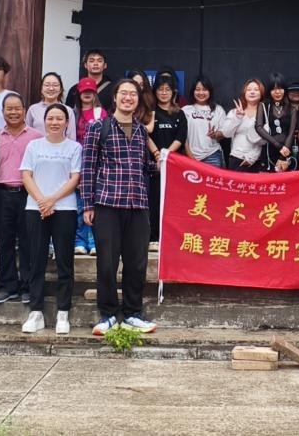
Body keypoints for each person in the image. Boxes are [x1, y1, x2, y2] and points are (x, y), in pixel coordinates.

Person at [82, 78, 158, 336]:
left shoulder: (141, 131)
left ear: (138, 99)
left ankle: (133, 313)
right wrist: (88, 204)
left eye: (133, 94)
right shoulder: (98, 127)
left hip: (138, 204)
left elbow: (143, 166)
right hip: (108, 203)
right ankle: (109, 315)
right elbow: (88, 167)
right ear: (114, 98)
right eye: (123, 93)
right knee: (107, 262)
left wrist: (160, 164)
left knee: (137, 263)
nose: (128, 98)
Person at [20, 103, 83, 334]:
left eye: (59, 118)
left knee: (64, 262)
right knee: (36, 260)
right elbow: (26, 175)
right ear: (44, 121)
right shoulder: (33, 145)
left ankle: (63, 312)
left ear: (67, 122)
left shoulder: (74, 147)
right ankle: (36, 312)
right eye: (51, 118)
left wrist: (52, 200)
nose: (54, 122)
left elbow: (74, 178)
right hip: (35, 208)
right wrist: (41, 201)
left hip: (64, 208)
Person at [0, 93, 43, 304]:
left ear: (24, 111)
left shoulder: (36, 137)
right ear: (3, 112)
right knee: (4, 241)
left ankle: (28, 285)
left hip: (28, 193)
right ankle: (8, 286)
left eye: (17, 108)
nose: (13, 112)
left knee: (28, 241)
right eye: (9, 109)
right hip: (2, 193)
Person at [144, 73, 186, 247]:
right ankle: (154, 237)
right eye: (160, 89)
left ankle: (171, 239)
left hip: (174, 164)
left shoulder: (179, 114)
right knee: (154, 200)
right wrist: (157, 155)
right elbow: (145, 134)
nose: (163, 93)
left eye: (167, 89)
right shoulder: (150, 112)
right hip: (155, 164)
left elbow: (181, 137)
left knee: (173, 202)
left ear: (173, 92)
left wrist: (166, 155)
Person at [73, 77, 108, 256]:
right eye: (84, 92)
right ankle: (80, 241)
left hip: (96, 161)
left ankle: (94, 241)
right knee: (80, 204)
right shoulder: (73, 113)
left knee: (95, 204)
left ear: (95, 93)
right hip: (77, 161)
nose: (87, 94)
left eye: (90, 91)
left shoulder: (101, 112)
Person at [258, 73, 299, 172]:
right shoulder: (264, 106)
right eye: (273, 89)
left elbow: (291, 132)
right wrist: (278, 145)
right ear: (269, 91)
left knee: (286, 180)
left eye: (280, 88)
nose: (277, 92)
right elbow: (258, 127)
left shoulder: (291, 108)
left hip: (287, 150)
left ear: (285, 89)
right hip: (269, 149)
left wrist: (283, 154)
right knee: (267, 180)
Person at [182, 74, 226, 168]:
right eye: (198, 89)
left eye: (204, 89)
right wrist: (190, 156)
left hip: (213, 155)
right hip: (190, 156)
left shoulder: (218, 110)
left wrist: (215, 134)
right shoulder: (185, 110)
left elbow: (223, 133)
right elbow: (182, 137)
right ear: (193, 91)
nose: (201, 93)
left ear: (210, 91)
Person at [224, 78, 267, 172]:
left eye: (256, 89)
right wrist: (237, 117)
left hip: (256, 161)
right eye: (249, 89)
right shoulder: (234, 112)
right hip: (236, 158)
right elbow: (226, 134)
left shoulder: (266, 114)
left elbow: (266, 140)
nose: (252, 92)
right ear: (244, 93)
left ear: (262, 93)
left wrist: (253, 157)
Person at [26, 72, 76, 139]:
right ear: (41, 89)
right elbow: (27, 134)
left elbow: (71, 137)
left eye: (55, 85)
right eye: (47, 85)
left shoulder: (68, 111)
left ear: (61, 89)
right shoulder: (33, 109)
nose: (51, 88)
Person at [65, 48, 116, 113]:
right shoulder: (75, 89)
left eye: (99, 61)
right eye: (91, 61)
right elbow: (68, 113)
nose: (95, 64)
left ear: (105, 65)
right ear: (85, 65)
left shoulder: (113, 88)